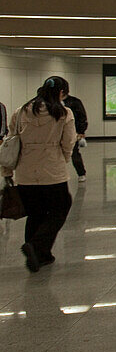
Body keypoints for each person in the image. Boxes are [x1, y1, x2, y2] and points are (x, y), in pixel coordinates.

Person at [2, 76, 77, 272]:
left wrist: (7, 170)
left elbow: (10, 142)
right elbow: (68, 142)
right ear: (60, 93)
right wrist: (64, 159)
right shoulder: (63, 113)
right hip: (53, 170)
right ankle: (36, 246)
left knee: (35, 213)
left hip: (25, 171)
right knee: (61, 207)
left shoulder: (20, 112)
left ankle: (39, 256)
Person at [58, 86, 88, 183]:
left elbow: (82, 117)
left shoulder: (74, 102)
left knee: (74, 153)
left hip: (72, 132)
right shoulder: (53, 103)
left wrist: (81, 131)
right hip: (56, 133)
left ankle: (81, 173)